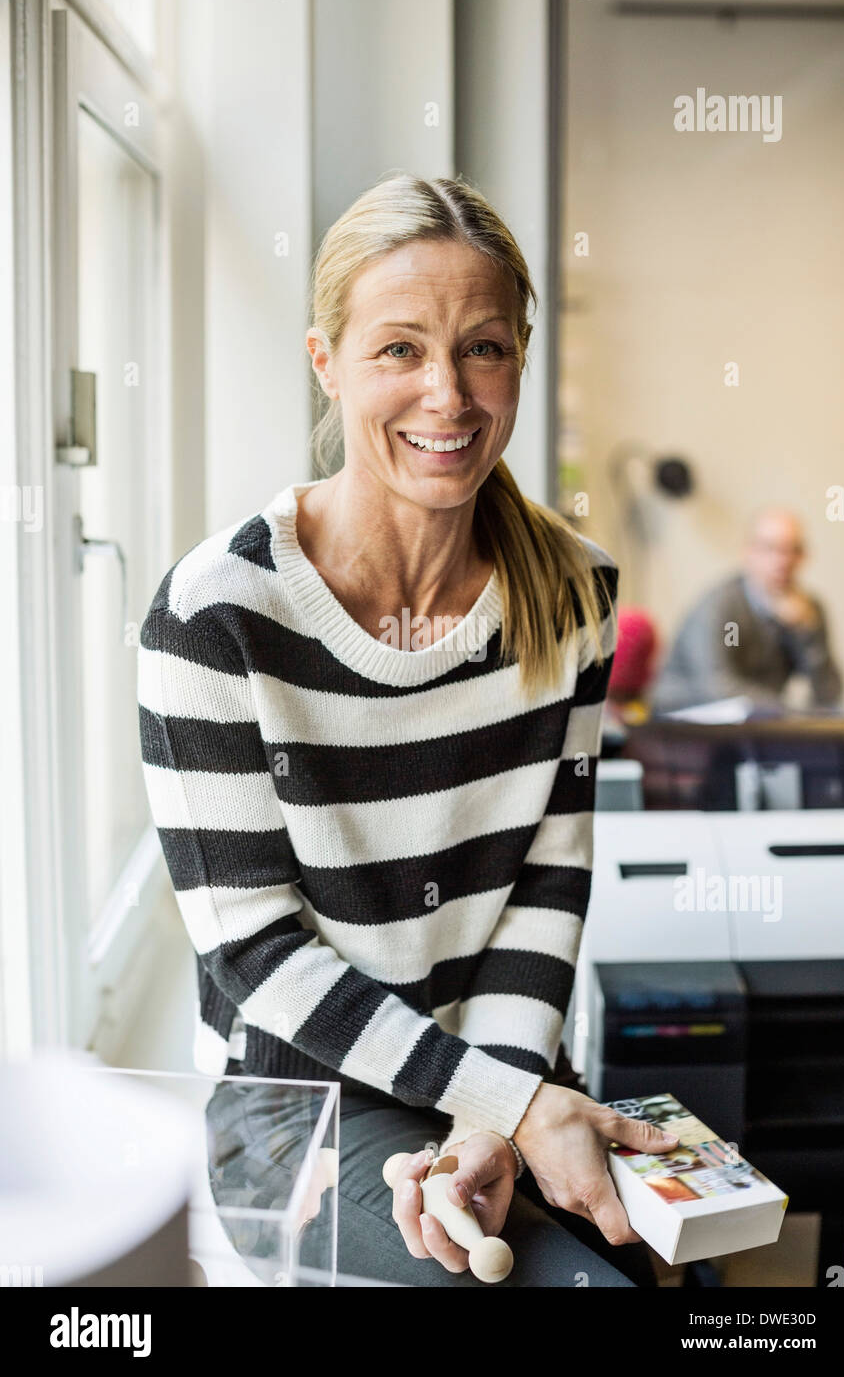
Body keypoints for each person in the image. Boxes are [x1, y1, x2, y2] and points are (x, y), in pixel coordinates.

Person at [138, 171, 678, 1287]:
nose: (447, 394)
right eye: (398, 350)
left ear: (520, 357)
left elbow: (544, 882)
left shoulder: (572, 594)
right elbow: (255, 954)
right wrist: (506, 1103)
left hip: (502, 1062)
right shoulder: (215, 616)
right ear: (325, 362)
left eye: (481, 347)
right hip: (296, 1108)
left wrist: (499, 1112)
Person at [650, 507, 843, 715]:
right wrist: (789, 712)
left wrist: (807, 634)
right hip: (688, 721)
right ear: (748, 552)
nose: (782, 561)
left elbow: (829, 695)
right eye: (770, 548)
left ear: (804, 556)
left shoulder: (807, 611)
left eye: (792, 550)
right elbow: (720, 688)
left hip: (757, 722)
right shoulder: (726, 610)